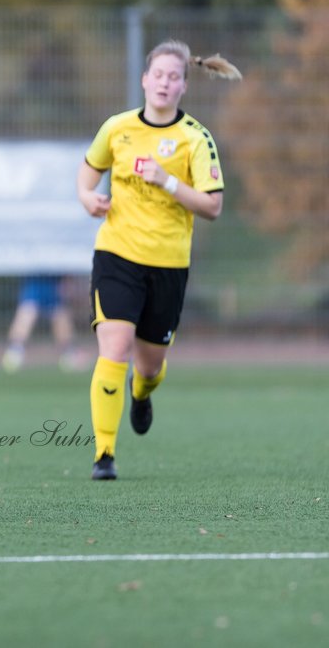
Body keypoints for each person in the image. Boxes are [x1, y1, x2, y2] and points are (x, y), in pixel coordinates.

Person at [77, 40, 240, 481]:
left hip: (168, 265)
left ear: (184, 85)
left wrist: (168, 181)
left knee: (148, 366)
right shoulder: (117, 128)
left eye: (174, 77)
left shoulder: (195, 138)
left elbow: (213, 207)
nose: (165, 83)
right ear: (145, 80)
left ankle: (142, 392)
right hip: (117, 255)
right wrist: (87, 197)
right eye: (159, 75)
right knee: (114, 346)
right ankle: (104, 455)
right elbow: (88, 173)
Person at [1, 275, 85, 373]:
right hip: (35, 279)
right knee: (28, 310)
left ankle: (68, 353)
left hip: (53, 283)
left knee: (59, 313)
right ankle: (14, 351)